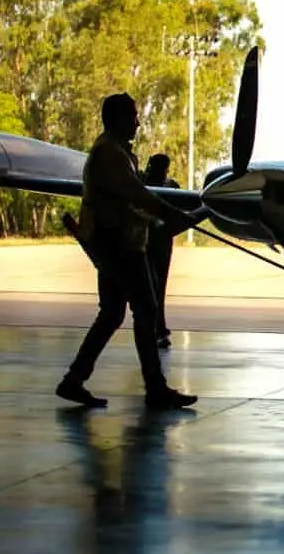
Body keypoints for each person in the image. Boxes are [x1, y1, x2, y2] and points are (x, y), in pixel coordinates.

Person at [55, 93, 200, 410]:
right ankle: (155, 388)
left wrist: (162, 219)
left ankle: (73, 380)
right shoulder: (110, 154)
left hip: (116, 245)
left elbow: (130, 201)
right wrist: (173, 214)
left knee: (111, 314)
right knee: (145, 311)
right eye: (133, 116)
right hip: (119, 247)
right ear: (117, 119)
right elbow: (138, 195)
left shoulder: (115, 152)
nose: (137, 122)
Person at [141, 153, 181, 349]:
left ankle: (157, 329)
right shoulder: (170, 186)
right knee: (154, 290)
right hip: (152, 243)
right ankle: (157, 330)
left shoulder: (147, 183)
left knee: (156, 289)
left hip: (159, 244)